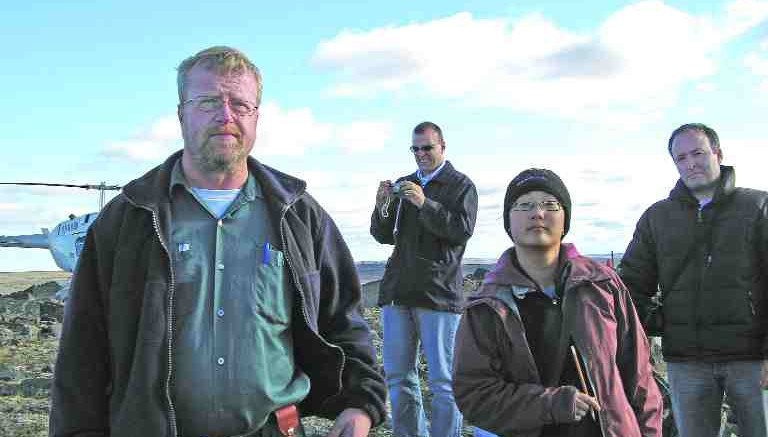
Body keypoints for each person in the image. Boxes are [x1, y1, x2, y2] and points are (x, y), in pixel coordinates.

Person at [49, 46, 386, 437]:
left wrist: (360, 403)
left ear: (256, 116)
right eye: (208, 102)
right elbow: (82, 352)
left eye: (240, 104)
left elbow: (343, 319)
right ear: (180, 114)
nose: (226, 116)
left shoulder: (299, 215)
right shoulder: (128, 219)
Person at [453, 168, 662, 437]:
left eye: (550, 204)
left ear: (565, 220)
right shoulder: (487, 306)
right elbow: (474, 395)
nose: (537, 213)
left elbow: (640, 376)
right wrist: (551, 404)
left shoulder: (603, 285)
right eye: (524, 205)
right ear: (508, 222)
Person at [620, 123, 768, 437]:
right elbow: (631, 285)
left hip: (752, 360)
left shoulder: (757, 207)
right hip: (687, 361)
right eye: (681, 157)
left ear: (718, 153)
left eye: (698, 153)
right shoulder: (657, 217)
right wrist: (658, 322)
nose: (690, 163)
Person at [370, 121, 478, 437]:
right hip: (398, 291)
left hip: (439, 293)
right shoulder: (405, 183)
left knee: (444, 382)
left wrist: (423, 203)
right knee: (398, 377)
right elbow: (382, 235)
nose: (420, 154)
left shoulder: (461, 185)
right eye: (415, 149)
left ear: (442, 147)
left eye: (427, 148)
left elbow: (461, 231)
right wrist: (382, 207)